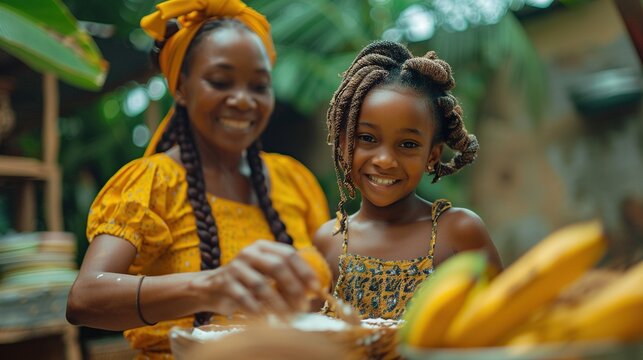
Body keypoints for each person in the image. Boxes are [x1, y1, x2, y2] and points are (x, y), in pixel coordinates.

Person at [66, 0, 329, 358]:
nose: (242, 100)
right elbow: (84, 299)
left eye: (259, 86)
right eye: (220, 82)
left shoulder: (294, 180)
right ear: (181, 89)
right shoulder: (151, 183)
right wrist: (209, 286)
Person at [315, 40, 502, 320]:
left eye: (408, 144)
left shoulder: (459, 232)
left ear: (432, 155)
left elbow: (503, 325)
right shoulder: (328, 242)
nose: (385, 160)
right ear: (343, 144)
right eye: (367, 138)